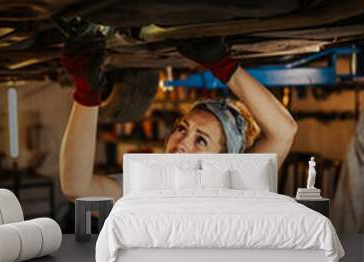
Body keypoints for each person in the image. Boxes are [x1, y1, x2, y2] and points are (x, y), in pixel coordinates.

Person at [59, 35, 298, 202]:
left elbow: (284, 132)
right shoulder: (148, 188)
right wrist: (86, 94)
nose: (182, 143)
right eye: (182, 128)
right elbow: (77, 189)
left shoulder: (236, 189)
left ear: (224, 160)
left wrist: (225, 66)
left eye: (201, 140)